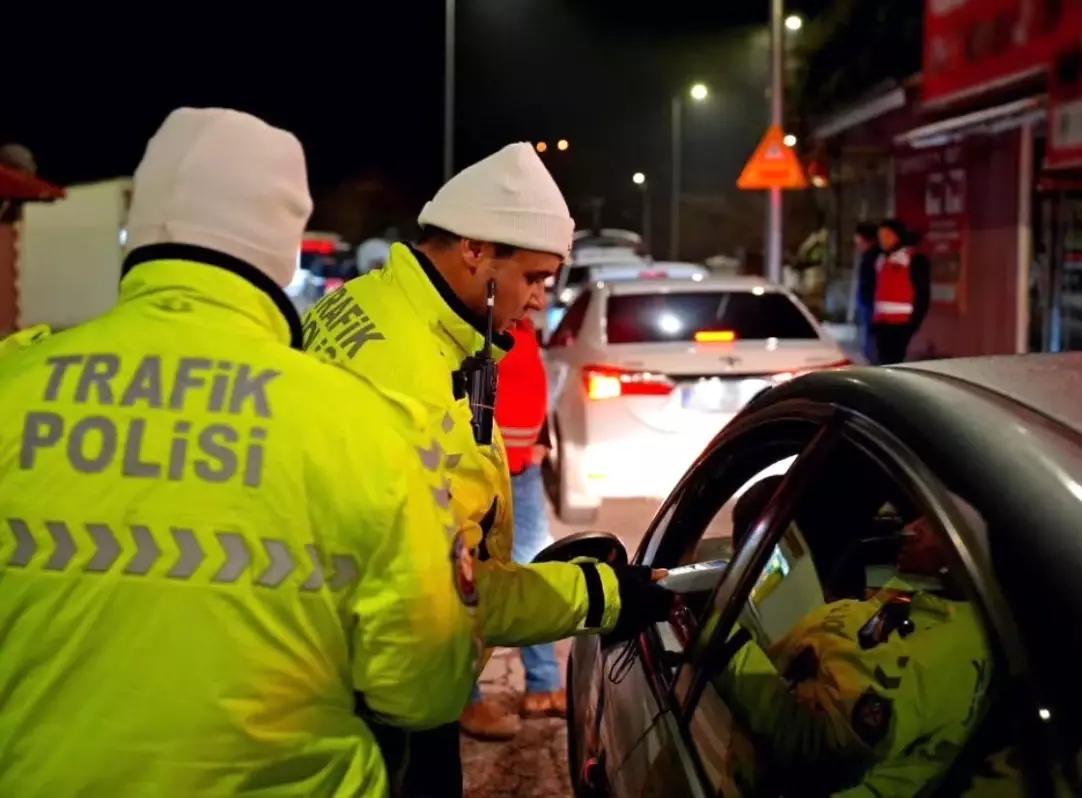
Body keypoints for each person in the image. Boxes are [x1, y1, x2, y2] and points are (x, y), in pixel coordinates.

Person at [0, 108, 483, 798]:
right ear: (282, 248)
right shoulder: (362, 428)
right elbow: (426, 692)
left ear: (141, 230)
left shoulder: (12, 386)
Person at [300, 142, 676, 793]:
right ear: (476, 250)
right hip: (385, 702)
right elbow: (451, 597)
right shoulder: (413, 376)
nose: (540, 301)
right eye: (533, 278)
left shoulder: (373, 303)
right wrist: (606, 594)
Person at [714, 481, 993, 796]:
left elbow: (814, 747)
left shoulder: (937, 657)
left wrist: (723, 644)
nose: (911, 529)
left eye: (932, 525)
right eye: (920, 517)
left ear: (968, 556)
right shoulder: (924, 605)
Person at [461, 313, 562, 739]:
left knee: (533, 571)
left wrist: (539, 442)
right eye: (535, 278)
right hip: (481, 472)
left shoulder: (519, 323)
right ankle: (463, 699)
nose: (542, 294)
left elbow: (528, 386)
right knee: (468, 582)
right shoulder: (473, 322)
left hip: (522, 471)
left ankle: (544, 684)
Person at [871, 218, 932, 365]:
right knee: (883, 363)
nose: (882, 240)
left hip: (901, 324)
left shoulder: (914, 259)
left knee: (895, 363)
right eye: (880, 236)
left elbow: (923, 294)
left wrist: (914, 323)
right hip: (881, 322)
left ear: (898, 236)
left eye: (887, 235)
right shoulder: (880, 260)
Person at [853, 222, 881, 364]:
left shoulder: (874, 257)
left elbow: (870, 284)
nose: (857, 244)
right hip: (867, 306)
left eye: (859, 240)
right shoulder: (869, 256)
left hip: (872, 307)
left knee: (871, 345)